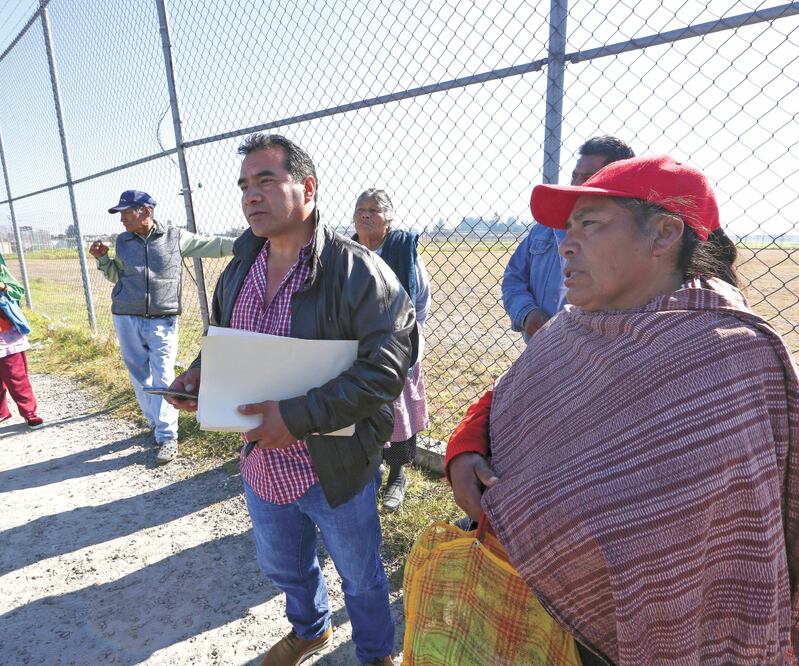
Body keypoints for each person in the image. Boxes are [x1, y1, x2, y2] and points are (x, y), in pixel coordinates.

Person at [445, 155, 799, 664]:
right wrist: (465, 449)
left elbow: (706, 537)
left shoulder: (730, 358)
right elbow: (505, 398)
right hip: (537, 612)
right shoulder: (574, 327)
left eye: (588, 225)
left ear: (662, 235)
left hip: (651, 633)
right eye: (568, 229)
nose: (565, 244)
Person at [167, 134, 415, 666]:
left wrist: (297, 417)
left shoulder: (359, 272)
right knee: (284, 566)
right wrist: (198, 375)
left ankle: (375, 653)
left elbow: (386, 370)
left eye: (265, 181)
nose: (250, 196)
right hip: (262, 464)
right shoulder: (238, 268)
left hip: (337, 467)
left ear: (307, 188)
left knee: (361, 576)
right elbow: (229, 343)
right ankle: (311, 630)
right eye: (244, 186)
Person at [89, 190, 235, 464]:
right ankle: (155, 422)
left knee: (164, 374)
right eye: (119, 213)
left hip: (163, 319)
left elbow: (213, 245)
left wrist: (247, 242)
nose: (121, 219)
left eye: (125, 212)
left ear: (145, 211)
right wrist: (103, 260)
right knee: (138, 374)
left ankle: (168, 436)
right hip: (125, 315)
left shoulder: (175, 237)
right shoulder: (122, 241)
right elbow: (115, 276)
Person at [502, 135, 634, 340]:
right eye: (575, 176)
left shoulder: (634, 241)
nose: (577, 185)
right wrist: (528, 314)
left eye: (589, 177)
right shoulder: (544, 230)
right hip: (540, 350)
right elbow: (514, 278)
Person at [353, 189, 430, 511]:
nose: (365, 215)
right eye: (360, 209)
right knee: (361, 410)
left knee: (399, 414)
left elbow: (420, 299)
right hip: (357, 347)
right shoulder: (348, 251)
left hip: (398, 346)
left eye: (374, 210)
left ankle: (398, 473)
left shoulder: (401, 250)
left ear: (389, 218)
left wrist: (404, 338)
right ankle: (371, 466)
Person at [0, 260, 43, 429]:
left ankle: (29, 413)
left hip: (4, 334)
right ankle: (1, 413)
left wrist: (3, 286)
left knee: (16, 376)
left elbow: (18, 291)